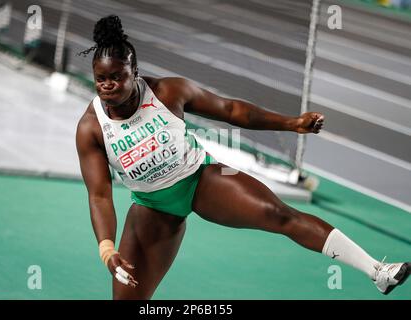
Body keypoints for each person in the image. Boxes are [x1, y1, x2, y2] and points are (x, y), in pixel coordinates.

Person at [75, 15, 410, 300]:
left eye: (116, 76)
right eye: (100, 78)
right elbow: (100, 194)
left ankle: (378, 271)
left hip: (202, 178)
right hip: (152, 207)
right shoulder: (91, 128)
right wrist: (106, 247)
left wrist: (291, 123)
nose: (107, 85)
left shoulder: (168, 92)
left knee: (279, 214)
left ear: (135, 72)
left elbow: (233, 111)